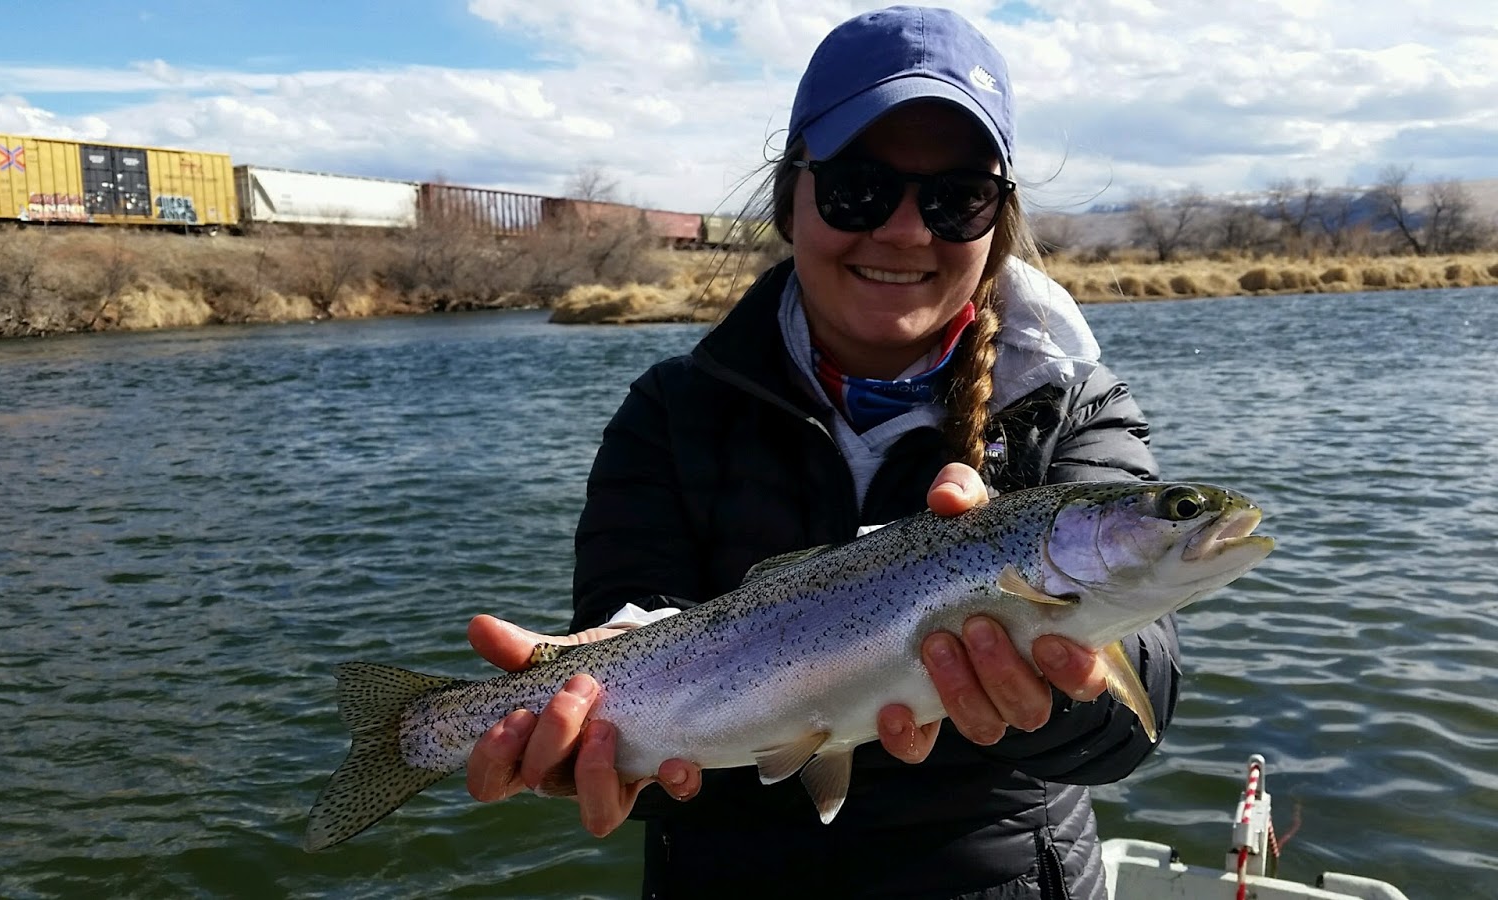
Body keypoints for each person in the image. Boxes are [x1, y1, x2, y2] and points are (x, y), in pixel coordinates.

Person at [463, 6, 1176, 898]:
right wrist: (598, 750)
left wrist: (1054, 687)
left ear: (998, 219)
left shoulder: (1073, 404)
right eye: (859, 190)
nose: (907, 231)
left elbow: (1143, 711)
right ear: (788, 198)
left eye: (956, 197)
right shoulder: (668, 413)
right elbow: (633, 659)